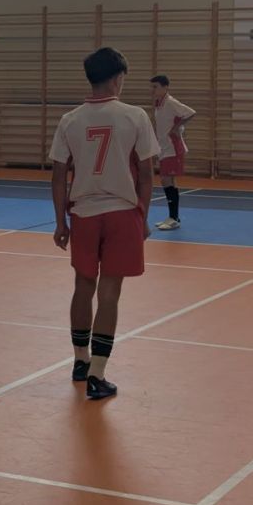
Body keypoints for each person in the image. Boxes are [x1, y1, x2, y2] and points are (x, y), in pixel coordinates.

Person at [50, 47, 159, 400]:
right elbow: (146, 174)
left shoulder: (70, 120)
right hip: (122, 213)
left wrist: (60, 222)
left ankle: (80, 361)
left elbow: (58, 176)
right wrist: (143, 215)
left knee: (82, 286)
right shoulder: (135, 116)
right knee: (110, 293)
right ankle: (97, 373)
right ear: (117, 78)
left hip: (83, 213)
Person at [150, 74, 196, 231]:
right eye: (152, 87)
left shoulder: (170, 102)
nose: (153, 90)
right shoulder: (159, 103)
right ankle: (173, 217)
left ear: (165, 87)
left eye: (156, 87)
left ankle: (173, 218)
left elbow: (190, 112)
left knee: (166, 180)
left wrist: (177, 128)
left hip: (172, 148)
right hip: (164, 148)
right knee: (167, 181)